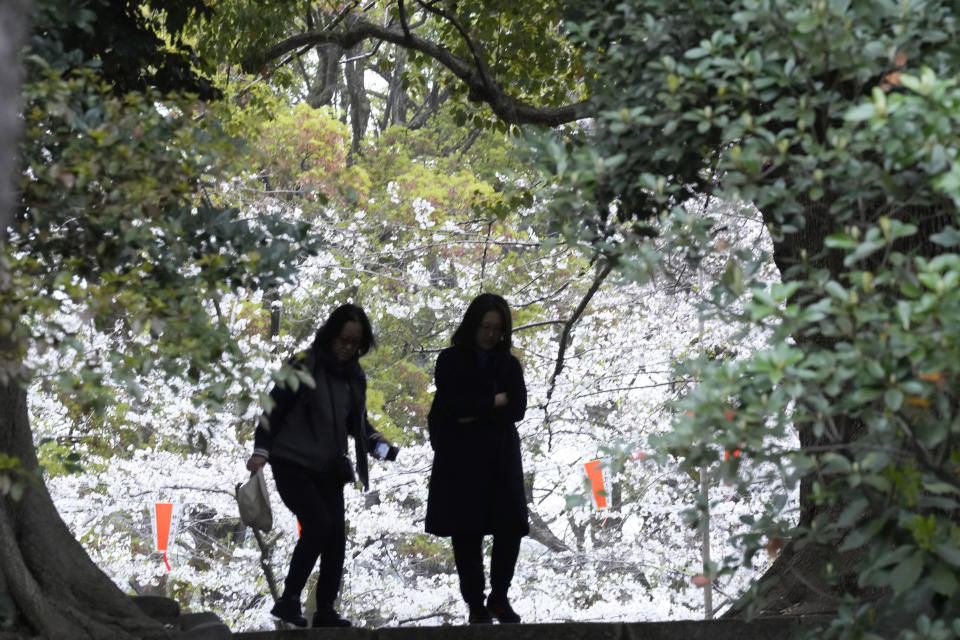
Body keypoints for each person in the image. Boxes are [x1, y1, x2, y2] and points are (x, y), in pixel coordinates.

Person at [246, 303, 395, 628]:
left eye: (355, 343)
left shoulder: (354, 376)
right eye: (344, 339)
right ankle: (288, 602)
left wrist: (379, 444)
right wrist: (261, 450)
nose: (348, 347)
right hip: (292, 461)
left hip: (329, 466)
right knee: (317, 525)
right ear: (331, 335)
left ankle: (325, 610)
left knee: (336, 538)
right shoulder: (304, 364)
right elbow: (274, 408)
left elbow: (357, 423)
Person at [425, 293, 529, 624]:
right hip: (462, 459)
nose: (490, 334)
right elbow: (453, 405)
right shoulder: (450, 360)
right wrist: (491, 402)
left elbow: (517, 408)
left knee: (509, 527)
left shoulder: (509, 365)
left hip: (500, 457)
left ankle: (499, 596)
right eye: (485, 326)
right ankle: (475, 602)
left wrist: (475, 409)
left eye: (497, 329)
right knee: (465, 530)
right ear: (472, 326)